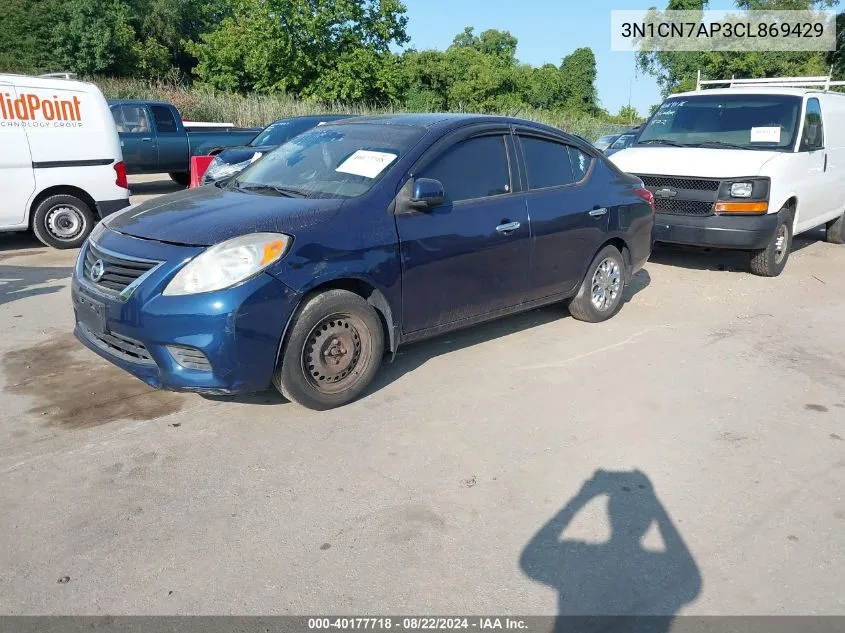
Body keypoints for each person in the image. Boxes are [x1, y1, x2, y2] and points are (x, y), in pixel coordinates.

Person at [520, 470, 701, 633]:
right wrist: (656, 503)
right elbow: (689, 575)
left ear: (609, 515)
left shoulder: (579, 558)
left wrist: (582, 497)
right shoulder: (661, 566)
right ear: (649, 523)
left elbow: (530, 559)